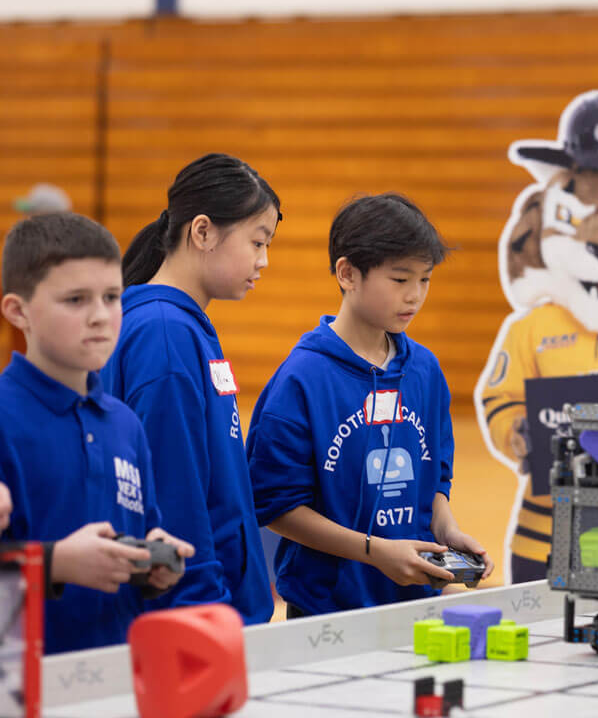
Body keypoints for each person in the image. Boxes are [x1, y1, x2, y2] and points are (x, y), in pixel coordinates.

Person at [248, 193, 491, 617]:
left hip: (415, 605)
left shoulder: (426, 372)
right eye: (400, 280)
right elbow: (275, 507)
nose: (414, 296)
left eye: (425, 279)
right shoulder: (301, 378)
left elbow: (433, 483)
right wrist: (373, 551)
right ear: (348, 273)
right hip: (324, 613)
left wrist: (448, 530)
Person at [0, 212, 193, 653]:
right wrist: (54, 564)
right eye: (75, 300)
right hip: (20, 685)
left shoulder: (126, 424)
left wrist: (152, 567)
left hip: (117, 676)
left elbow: (144, 532)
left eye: (111, 297)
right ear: (18, 311)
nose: (100, 317)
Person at [103, 154, 279, 624]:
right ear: (202, 232)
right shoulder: (164, 334)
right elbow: (173, 491)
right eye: (257, 242)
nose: (264, 261)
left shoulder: (181, 326)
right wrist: (201, 608)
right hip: (199, 614)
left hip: (220, 606)